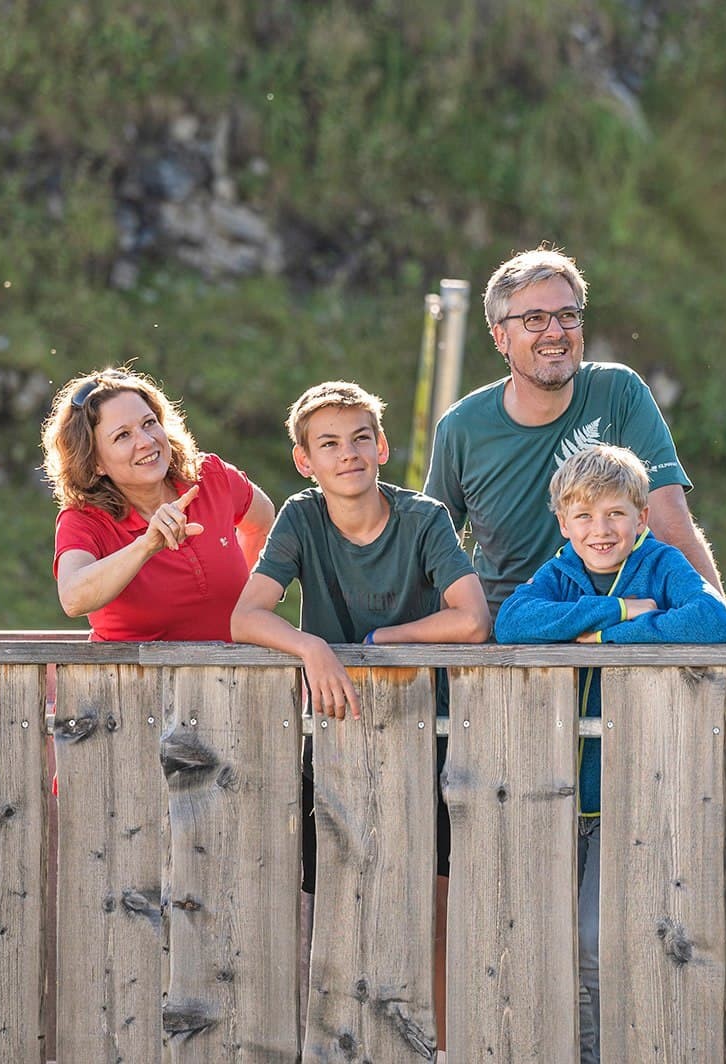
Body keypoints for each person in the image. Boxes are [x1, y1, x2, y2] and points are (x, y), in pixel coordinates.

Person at [230, 380, 490, 1058]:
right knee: (329, 904)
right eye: (328, 444)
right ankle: (328, 1045)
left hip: (426, 733)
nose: (347, 454)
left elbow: (471, 618)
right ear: (304, 460)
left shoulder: (424, 517)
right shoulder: (301, 517)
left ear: (381, 447)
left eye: (359, 439)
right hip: (337, 736)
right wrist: (311, 645)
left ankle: (442, 1049)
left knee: (432, 906)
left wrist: (384, 643)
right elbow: (245, 616)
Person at [494, 444, 726, 1061]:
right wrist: (612, 613)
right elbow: (513, 624)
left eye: (614, 515)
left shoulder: (663, 564)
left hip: (632, 785)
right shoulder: (558, 573)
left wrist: (598, 637)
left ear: (641, 520)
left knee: (601, 939)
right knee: (555, 941)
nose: (599, 530)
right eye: (584, 517)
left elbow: (712, 621)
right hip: (556, 790)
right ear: (563, 522)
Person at [424, 243, 726, 642]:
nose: (555, 331)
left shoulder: (619, 392)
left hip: (631, 639)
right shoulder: (461, 427)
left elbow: (669, 518)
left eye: (567, 315)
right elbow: (435, 557)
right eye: (534, 319)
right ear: (501, 337)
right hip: (515, 645)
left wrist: (719, 620)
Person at [42, 366, 275, 641]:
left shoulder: (212, 476)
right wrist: (147, 544)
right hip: (134, 682)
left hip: (236, 680)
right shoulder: (83, 519)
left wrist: (247, 605)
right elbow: (73, 599)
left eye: (149, 423)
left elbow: (263, 521)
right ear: (95, 462)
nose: (146, 441)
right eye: (123, 436)